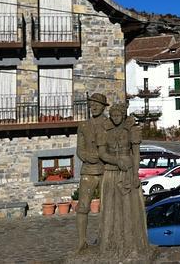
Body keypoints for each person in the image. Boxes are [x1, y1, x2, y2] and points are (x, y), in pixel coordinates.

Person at [96, 102, 155, 259]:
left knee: (128, 208)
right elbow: (102, 153)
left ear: (123, 116)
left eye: (118, 115)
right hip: (111, 172)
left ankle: (130, 244)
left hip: (127, 173)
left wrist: (135, 174)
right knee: (110, 208)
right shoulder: (104, 131)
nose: (115, 118)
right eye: (113, 115)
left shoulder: (132, 130)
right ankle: (110, 244)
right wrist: (117, 162)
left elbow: (136, 154)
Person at [75, 93, 109, 253]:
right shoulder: (83, 126)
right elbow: (80, 149)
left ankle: (106, 238)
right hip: (88, 170)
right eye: (92, 104)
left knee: (107, 206)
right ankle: (82, 241)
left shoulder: (109, 124)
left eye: (97, 104)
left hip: (105, 170)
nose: (94, 107)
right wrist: (89, 157)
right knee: (82, 207)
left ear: (103, 107)